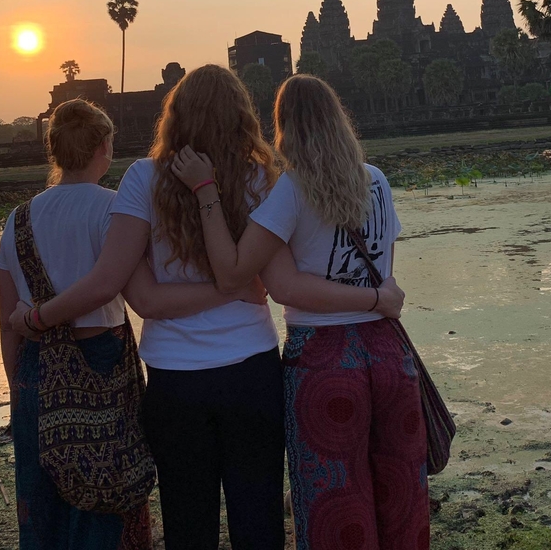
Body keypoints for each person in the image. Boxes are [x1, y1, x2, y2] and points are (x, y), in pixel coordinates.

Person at [10, 65, 405, 550]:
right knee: (258, 519)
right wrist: (231, 289)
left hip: (176, 380)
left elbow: (146, 300)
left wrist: (37, 317)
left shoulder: (143, 178)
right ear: (242, 117)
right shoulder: (264, 178)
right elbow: (264, 283)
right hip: (253, 371)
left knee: (188, 523)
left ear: (173, 117)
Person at [171, 74, 429, 550]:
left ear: (284, 127)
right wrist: (375, 302)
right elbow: (384, 277)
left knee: (336, 502)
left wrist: (207, 191)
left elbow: (251, 279)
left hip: (325, 362)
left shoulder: (288, 191)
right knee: (401, 496)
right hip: (390, 357)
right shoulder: (376, 181)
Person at [0, 99, 153, 550]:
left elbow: (7, 319)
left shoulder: (18, 219)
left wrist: (18, 385)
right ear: (105, 147)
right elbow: (123, 290)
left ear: (55, 151)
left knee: (42, 500)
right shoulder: (113, 210)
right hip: (101, 358)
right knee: (107, 488)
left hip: (35, 367)